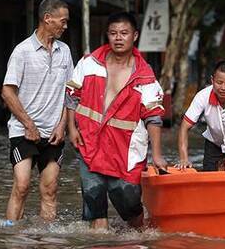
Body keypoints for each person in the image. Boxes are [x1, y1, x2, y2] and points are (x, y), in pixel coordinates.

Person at [65, 12, 167, 230]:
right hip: (90, 144)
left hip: (125, 151)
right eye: (113, 33)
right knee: (94, 202)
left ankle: (138, 247)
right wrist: (71, 128)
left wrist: (157, 155)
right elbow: (72, 94)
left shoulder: (145, 76)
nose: (118, 38)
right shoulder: (89, 63)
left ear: (135, 35)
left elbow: (154, 117)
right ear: (107, 35)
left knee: (130, 206)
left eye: (124, 33)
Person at [0, 0, 73, 225]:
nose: (65, 26)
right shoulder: (22, 51)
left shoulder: (65, 51)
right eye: (63, 21)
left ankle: (45, 247)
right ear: (47, 18)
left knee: (50, 189)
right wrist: (28, 124)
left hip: (54, 132)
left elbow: (70, 93)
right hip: (23, 131)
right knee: (22, 186)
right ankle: (12, 241)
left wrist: (63, 126)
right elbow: (7, 92)